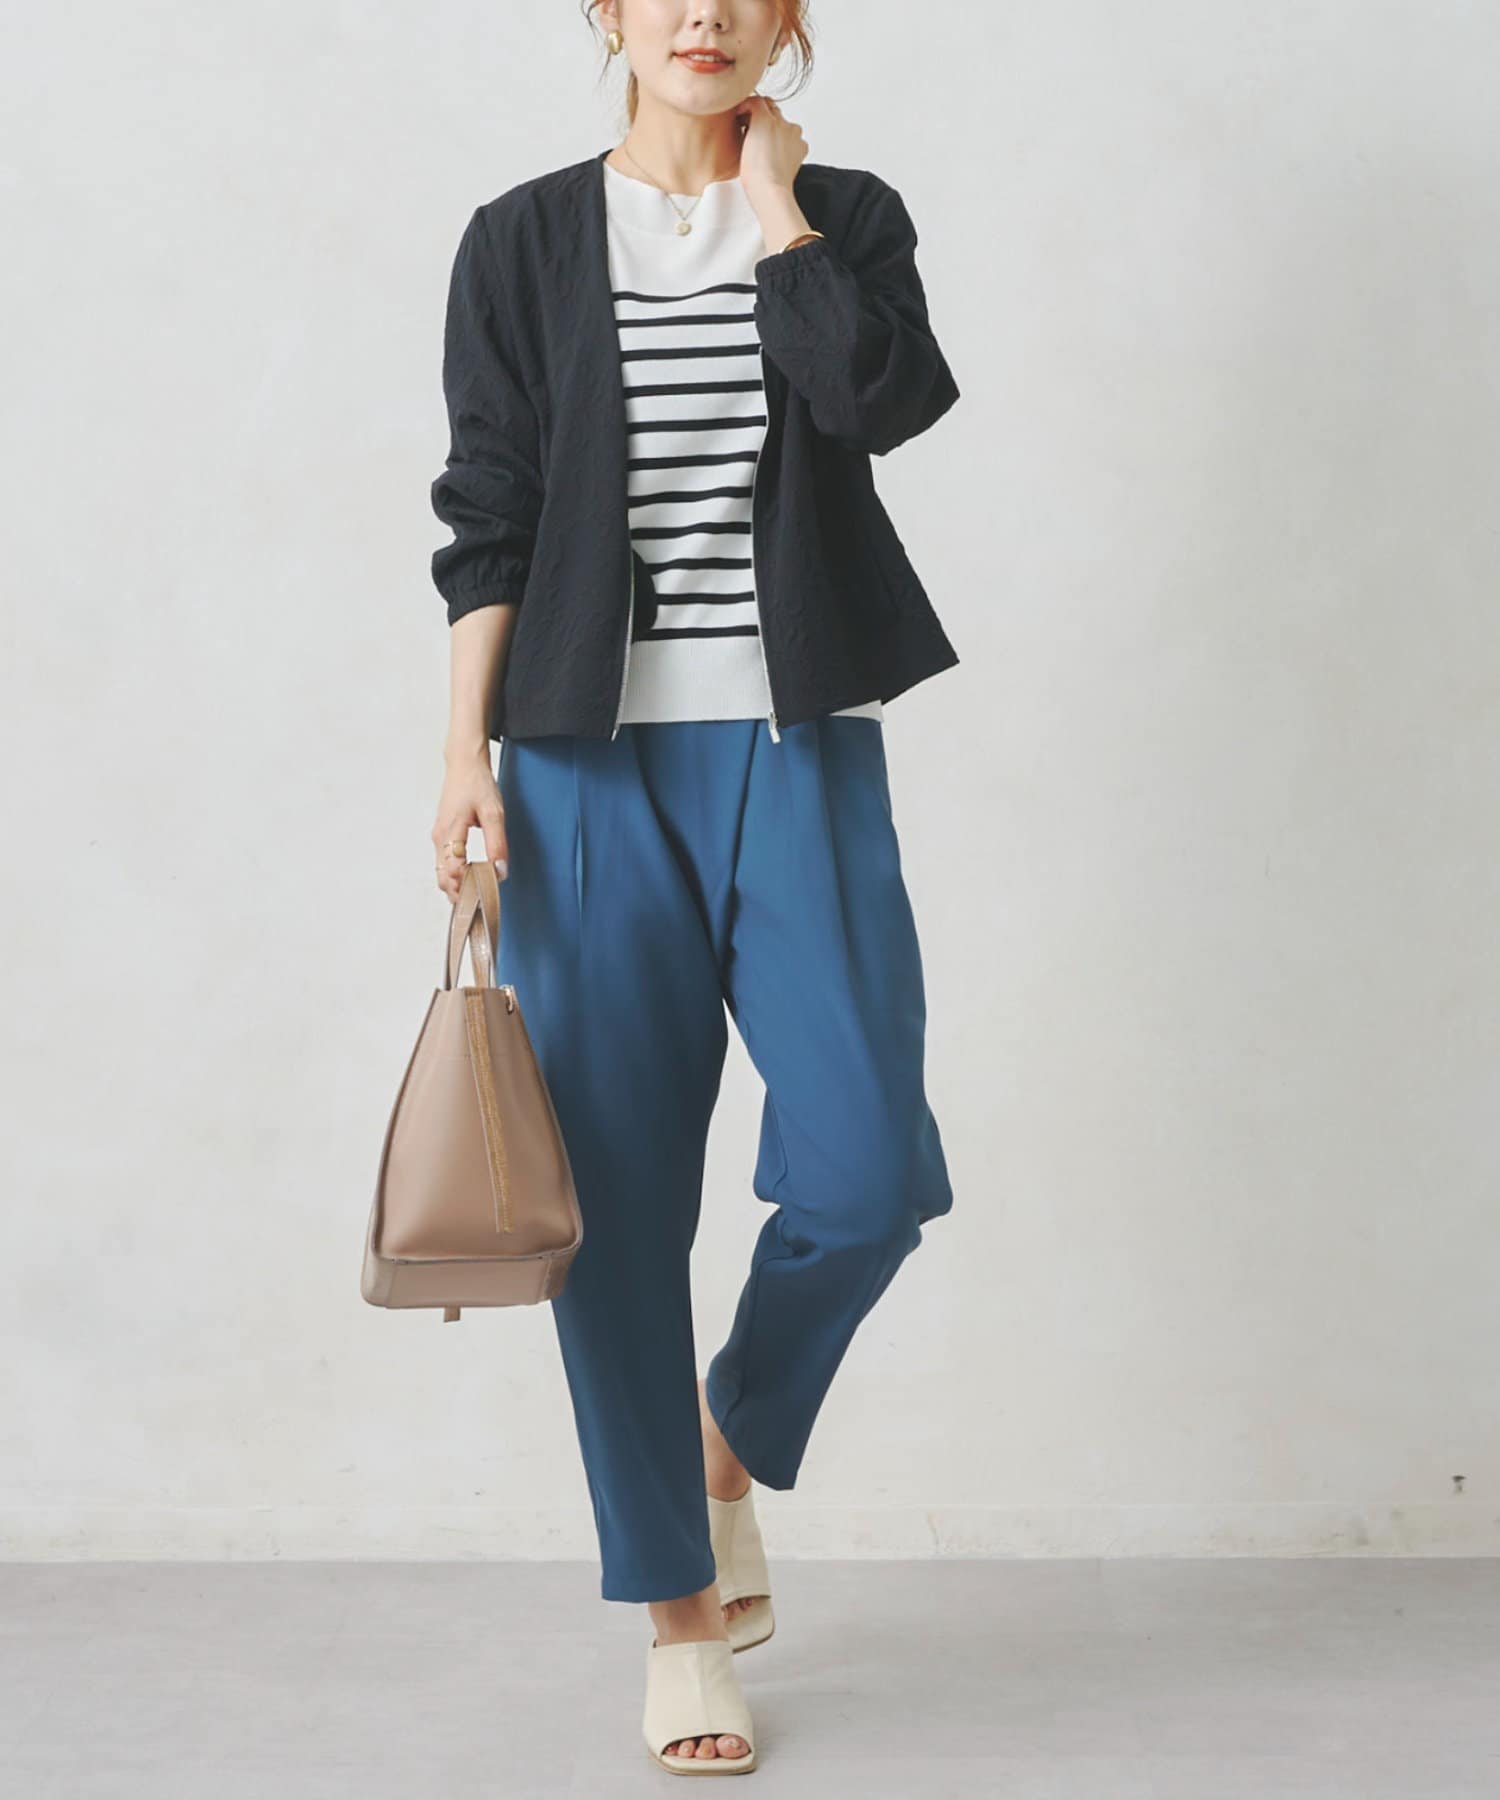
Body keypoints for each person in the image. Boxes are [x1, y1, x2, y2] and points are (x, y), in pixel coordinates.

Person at [428, 2, 960, 1775]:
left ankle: (728, 1445)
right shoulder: (520, 240)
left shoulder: (846, 217)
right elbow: (490, 503)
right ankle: (678, 1614)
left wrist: (782, 213)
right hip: (583, 765)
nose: (704, 15)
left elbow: (882, 401)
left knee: (867, 1174)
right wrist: (463, 754)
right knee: (618, 1205)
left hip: (800, 745)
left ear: (787, 18)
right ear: (608, 13)